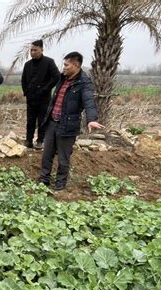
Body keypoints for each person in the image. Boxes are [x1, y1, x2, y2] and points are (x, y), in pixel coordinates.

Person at [39, 51, 105, 190]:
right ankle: (43, 180)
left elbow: (89, 101)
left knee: (63, 157)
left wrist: (91, 119)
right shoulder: (62, 78)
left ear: (76, 65)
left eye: (66, 65)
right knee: (47, 154)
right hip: (52, 122)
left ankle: (60, 184)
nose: (64, 67)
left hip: (68, 125)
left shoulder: (84, 83)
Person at [21, 40, 60, 149]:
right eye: (31, 50)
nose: (32, 52)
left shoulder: (49, 62)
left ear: (41, 50)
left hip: (44, 98)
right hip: (31, 98)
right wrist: (26, 91)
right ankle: (28, 141)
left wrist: (45, 89)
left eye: (35, 50)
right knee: (30, 121)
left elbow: (56, 77)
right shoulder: (27, 64)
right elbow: (23, 80)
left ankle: (40, 141)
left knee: (42, 120)